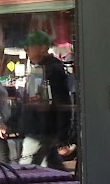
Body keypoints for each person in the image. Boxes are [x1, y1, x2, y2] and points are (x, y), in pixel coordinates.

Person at [19, 31, 71, 169]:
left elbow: (59, 101)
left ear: (43, 48)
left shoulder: (48, 69)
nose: (26, 50)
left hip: (41, 128)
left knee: (26, 168)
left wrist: (62, 131)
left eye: (29, 46)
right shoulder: (44, 67)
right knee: (51, 165)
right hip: (42, 126)